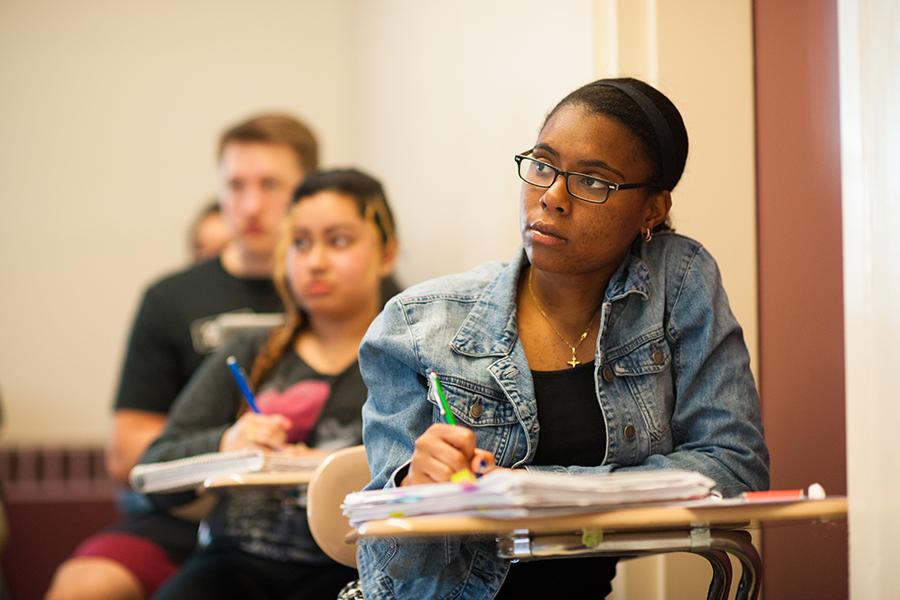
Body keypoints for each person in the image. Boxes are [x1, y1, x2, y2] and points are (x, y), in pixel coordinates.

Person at [356, 77, 770, 598]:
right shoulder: (417, 326)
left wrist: (539, 490)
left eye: (593, 182)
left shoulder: (677, 282)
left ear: (653, 209)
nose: (551, 197)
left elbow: (735, 464)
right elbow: (389, 566)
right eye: (544, 165)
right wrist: (412, 492)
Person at [47, 113, 319, 600]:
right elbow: (127, 450)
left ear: (307, 191)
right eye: (235, 185)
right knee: (83, 584)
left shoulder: (357, 297)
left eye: (271, 184)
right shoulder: (170, 298)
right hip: (185, 517)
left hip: (314, 519)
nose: (251, 204)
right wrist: (226, 445)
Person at [143, 168, 398, 600]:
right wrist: (227, 444)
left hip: (352, 570)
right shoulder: (249, 351)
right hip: (232, 564)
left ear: (386, 253)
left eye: (338, 241)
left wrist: (331, 466)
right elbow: (157, 470)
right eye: (299, 243)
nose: (315, 261)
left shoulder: (405, 358)